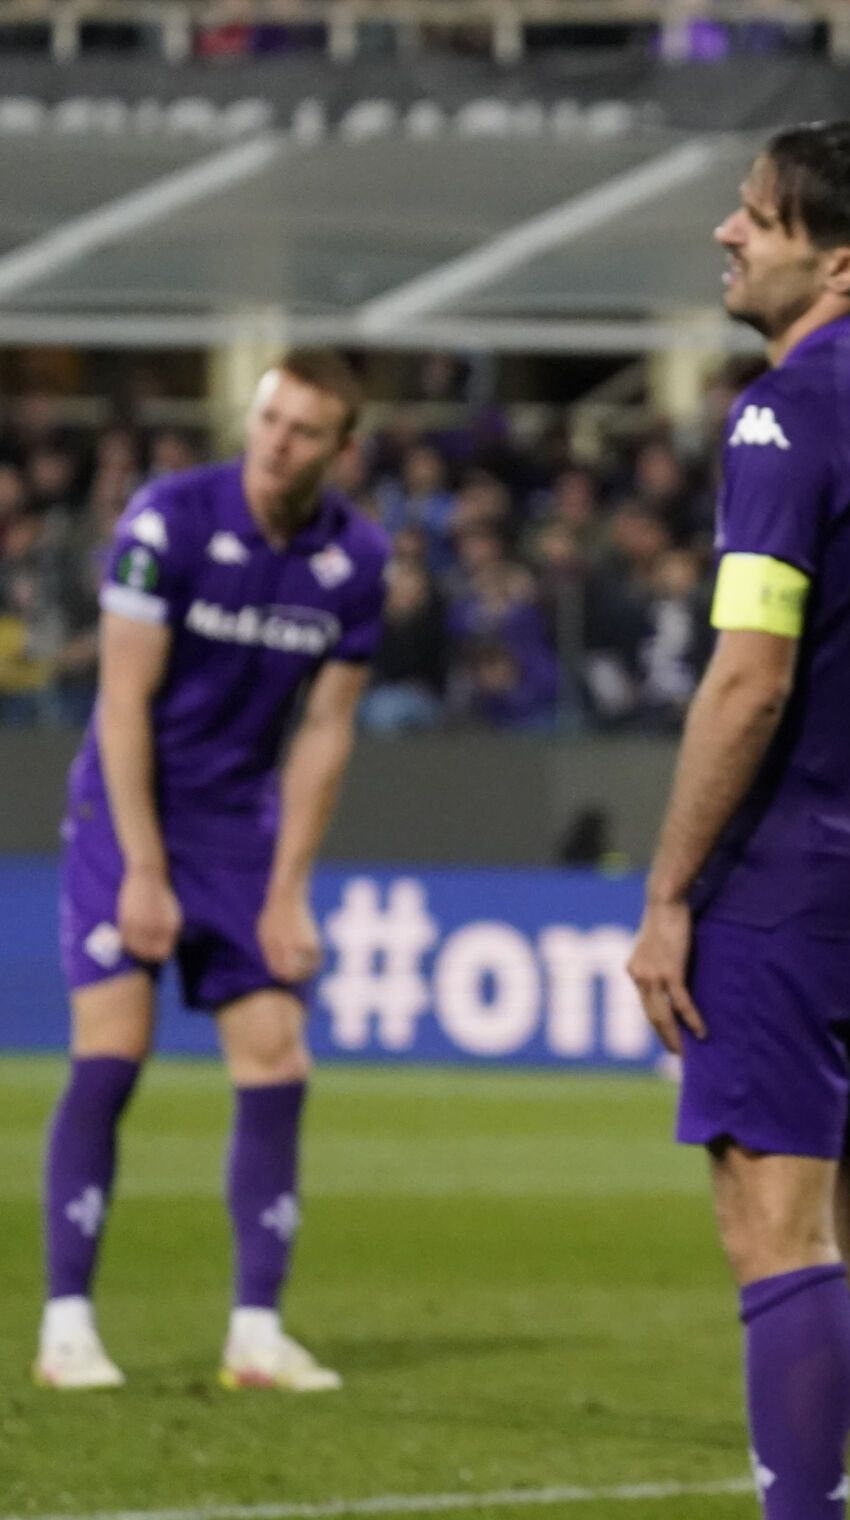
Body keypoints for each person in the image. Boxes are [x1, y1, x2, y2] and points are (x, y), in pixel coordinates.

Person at [626, 119, 850, 1520]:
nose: (726, 231)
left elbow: (749, 676)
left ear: (835, 261)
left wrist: (667, 893)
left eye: (756, 218)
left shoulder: (784, 410)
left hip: (782, 883)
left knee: (771, 1230)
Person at [36, 350, 389, 1392]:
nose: (276, 441)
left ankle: (255, 1330)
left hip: (239, 823)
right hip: (128, 806)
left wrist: (288, 885)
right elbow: (120, 703)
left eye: (302, 429)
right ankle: (67, 1325)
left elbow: (326, 729)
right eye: (269, 417)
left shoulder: (355, 558)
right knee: (117, 1041)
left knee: (278, 1051)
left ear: (340, 448)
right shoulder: (167, 520)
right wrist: (143, 866)